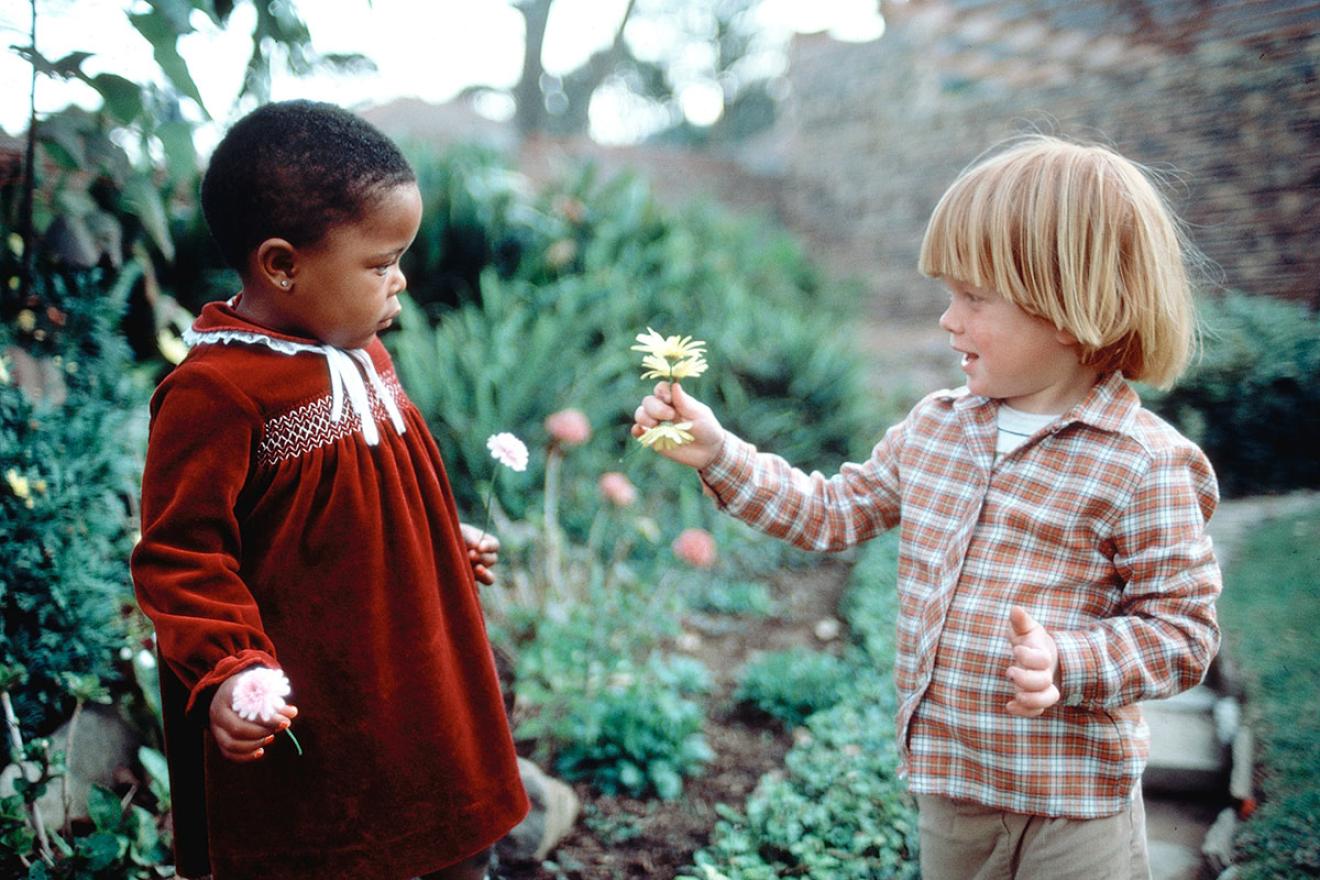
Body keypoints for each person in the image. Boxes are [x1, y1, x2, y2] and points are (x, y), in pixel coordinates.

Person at [632, 135, 1221, 880]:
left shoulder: (1142, 464)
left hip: (1074, 808)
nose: (948, 320)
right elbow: (831, 512)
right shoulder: (936, 426)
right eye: (949, 294)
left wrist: (1071, 661)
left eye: (974, 297)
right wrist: (721, 453)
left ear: (1070, 309)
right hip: (950, 793)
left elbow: (1184, 631)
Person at [131, 100, 528, 880]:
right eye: (380, 263)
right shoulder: (217, 393)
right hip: (324, 702)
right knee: (342, 849)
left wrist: (441, 540)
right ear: (282, 265)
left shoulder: (364, 354)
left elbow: (377, 490)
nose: (401, 281)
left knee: (449, 830)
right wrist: (229, 667)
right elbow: (181, 555)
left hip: (417, 674)